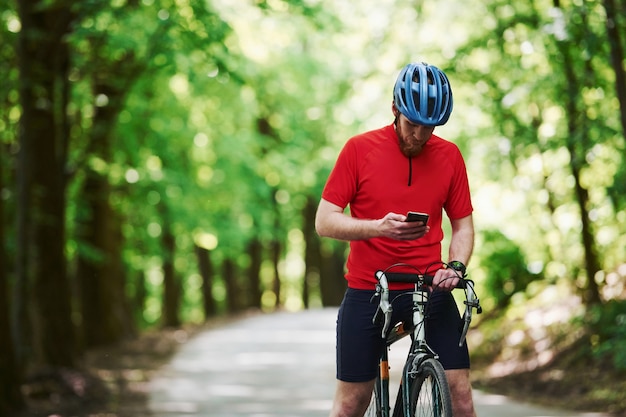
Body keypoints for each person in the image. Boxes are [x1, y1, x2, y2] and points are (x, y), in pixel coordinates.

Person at [315, 62, 477, 417]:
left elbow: (463, 226)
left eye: (429, 127)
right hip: (368, 290)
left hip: (429, 287)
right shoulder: (359, 150)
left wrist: (455, 267)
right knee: (350, 404)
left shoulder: (449, 156)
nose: (419, 135)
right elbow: (324, 221)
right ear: (394, 110)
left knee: (461, 396)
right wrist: (377, 227)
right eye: (412, 124)